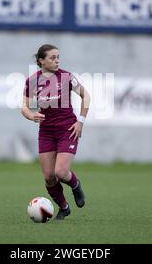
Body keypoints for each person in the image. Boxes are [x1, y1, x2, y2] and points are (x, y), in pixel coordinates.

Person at [21, 44, 91, 220]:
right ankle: (64, 207)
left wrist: (80, 121)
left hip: (67, 129)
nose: (57, 60)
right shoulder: (32, 81)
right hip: (46, 132)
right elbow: (24, 107)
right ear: (41, 61)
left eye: (58, 57)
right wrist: (31, 115)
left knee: (61, 172)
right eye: (52, 58)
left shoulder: (66, 77)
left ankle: (75, 185)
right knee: (49, 177)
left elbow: (86, 96)